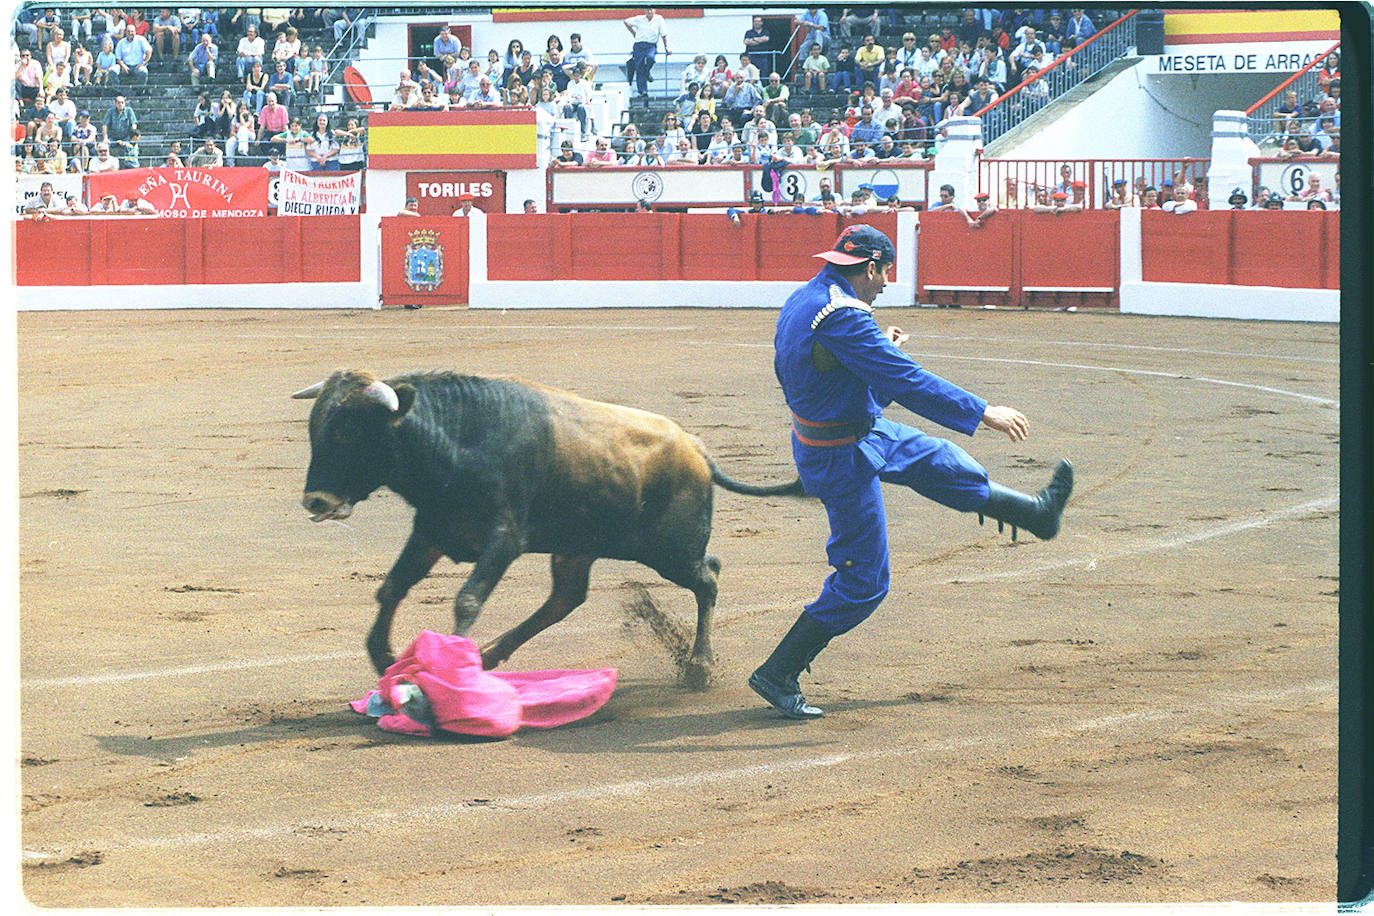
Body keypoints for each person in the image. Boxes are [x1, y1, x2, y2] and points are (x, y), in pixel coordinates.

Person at [750, 224, 1072, 719]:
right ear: (873, 267)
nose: (884, 286)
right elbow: (904, 381)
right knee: (865, 580)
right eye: (884, 276)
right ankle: (779, 672)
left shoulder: (809, 297)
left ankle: (1037, 516)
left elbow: (835, 369)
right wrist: (983, 410)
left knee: (943, 462)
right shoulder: (845, 319)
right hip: (840, 454)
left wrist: (881, 349)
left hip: (851, 426)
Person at [623, 7, 669, 101]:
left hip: (651, 45)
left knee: (650, 58)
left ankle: (647, 72)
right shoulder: (639, 19)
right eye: (647, 9)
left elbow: (663, 34)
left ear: (655, 10)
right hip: (639, 45)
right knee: (639, 67)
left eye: (651, 9)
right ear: (644, 11)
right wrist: (633, 33)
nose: (649, 11)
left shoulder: (659, 19)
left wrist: (667, 48)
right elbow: (626, 22)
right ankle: (643, 91)